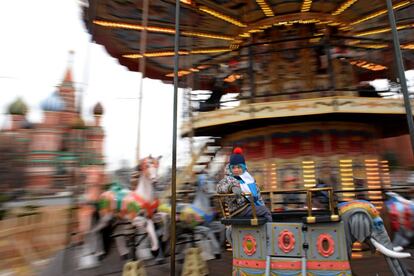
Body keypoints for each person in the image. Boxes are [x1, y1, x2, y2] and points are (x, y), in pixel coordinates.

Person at [217, 147, 272, 222]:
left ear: (243, 167)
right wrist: (231, 187)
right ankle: (269, 231)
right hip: (238, 209)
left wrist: (261, 204)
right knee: (265, 211)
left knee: (265, 209)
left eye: (239, 167)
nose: (236, 170)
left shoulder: (249, 179)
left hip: (248, 207)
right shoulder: (229, 178)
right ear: (230, 169)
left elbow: (258, 195)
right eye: (233, 168)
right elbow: (219, 187)